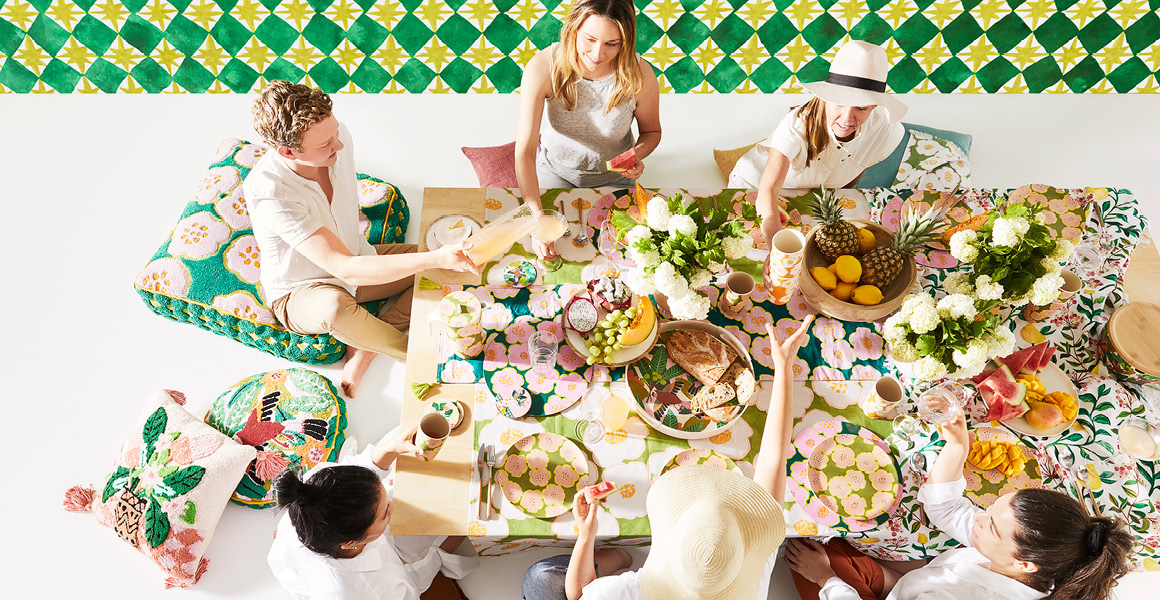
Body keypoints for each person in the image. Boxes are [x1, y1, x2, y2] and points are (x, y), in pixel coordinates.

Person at [521, 315, 815, 600]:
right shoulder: (746, 581)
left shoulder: (629, 593)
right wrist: (784, 367)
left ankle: (619, 556)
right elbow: (774, 462)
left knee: (538, 578)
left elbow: (579, 593)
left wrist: (587, 534)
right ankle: (619, 556)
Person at [245, 81, 479, 397]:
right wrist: (435, 258)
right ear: (287, 151)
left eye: (335, 133)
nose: (338, 146)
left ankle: (367, 347)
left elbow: (354, 262)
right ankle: (423, 357)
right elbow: (345, 268)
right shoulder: (271, 193)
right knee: (334, 308)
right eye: (325, 144)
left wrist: (437, 258)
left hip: (357, 255)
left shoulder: (338, 138)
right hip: (302, 291)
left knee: (444, 265)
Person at [784, 410, 1133, 600]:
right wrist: (957, 448)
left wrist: (826, 577)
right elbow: (948, 509)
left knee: (802, 548)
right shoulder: (1042, 562)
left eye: (991, 525)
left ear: (1023, 563)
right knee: (838, 531)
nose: (980, 518)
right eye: (993, 507)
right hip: (913, 584)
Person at [726, 41, 906, 284]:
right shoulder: (796, 126)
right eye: (839, 104)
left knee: (808, 271)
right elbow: (767, 190)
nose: (847, 118)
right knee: (743, 263)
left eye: (861, 108)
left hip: (809, 196)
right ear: (822, 98)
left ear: (874, 106)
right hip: (755, 189)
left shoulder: (884, 130)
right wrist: (776, 252)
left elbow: (856, 169)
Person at [514, 0, 661, 258]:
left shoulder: (640, 74)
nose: (597, 54)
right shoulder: (544, 67)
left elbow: (652, 133)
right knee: (538, 252)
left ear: (625, 41)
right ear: (573, 29)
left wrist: (637, 154)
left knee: (620, 255)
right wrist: (536, 219)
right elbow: (524, 152)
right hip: (554, 171)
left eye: (611, 44)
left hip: (616, 178)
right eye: (589, 39)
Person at [268, 425, 480, 600]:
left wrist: (392, 449)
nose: (393, 507)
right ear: (352, 542)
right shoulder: (368, 590)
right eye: (384, 513)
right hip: (339, 582)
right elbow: (410, 586)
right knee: (450, 527)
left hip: (307, 554)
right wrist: (450, 540)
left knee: (398, 445)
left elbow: (361, 468)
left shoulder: (314, 488)